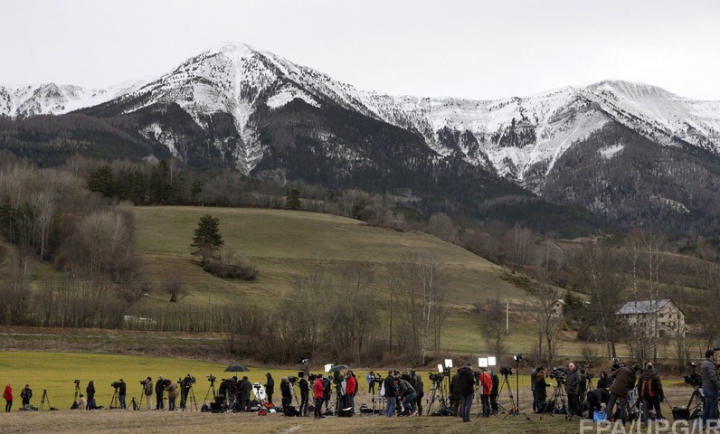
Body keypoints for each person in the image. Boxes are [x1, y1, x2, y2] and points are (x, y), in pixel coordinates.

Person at [701, 349, 720, 427]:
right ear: (711, 356)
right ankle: (712, 424)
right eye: (715, 355)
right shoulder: (710, 364)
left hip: (705, 388)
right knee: (713, 407)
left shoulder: (704, 363)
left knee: (707, 406)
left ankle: (704, 423)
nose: (716, 357)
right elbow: (713, 377)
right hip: (711, 389)